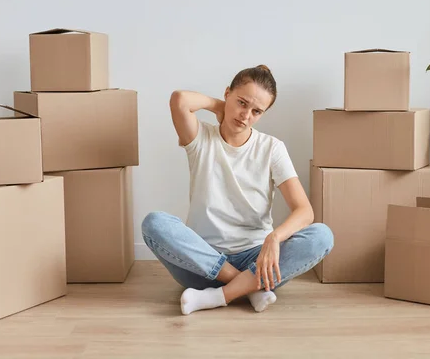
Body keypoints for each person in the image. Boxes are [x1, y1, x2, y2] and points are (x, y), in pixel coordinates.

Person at [142, 64, 334, 315]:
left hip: (257, 262)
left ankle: (218, 296)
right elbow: (179, 99)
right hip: (201, 262)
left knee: (322, 235)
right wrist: (218, 107)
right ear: (227, 93)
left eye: (256, 111)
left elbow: (304, 211)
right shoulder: (200, 138)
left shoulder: (272, 148)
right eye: (241, 103)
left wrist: (274, 238)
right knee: (154, 223)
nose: (246, 115)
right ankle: (247, 288)